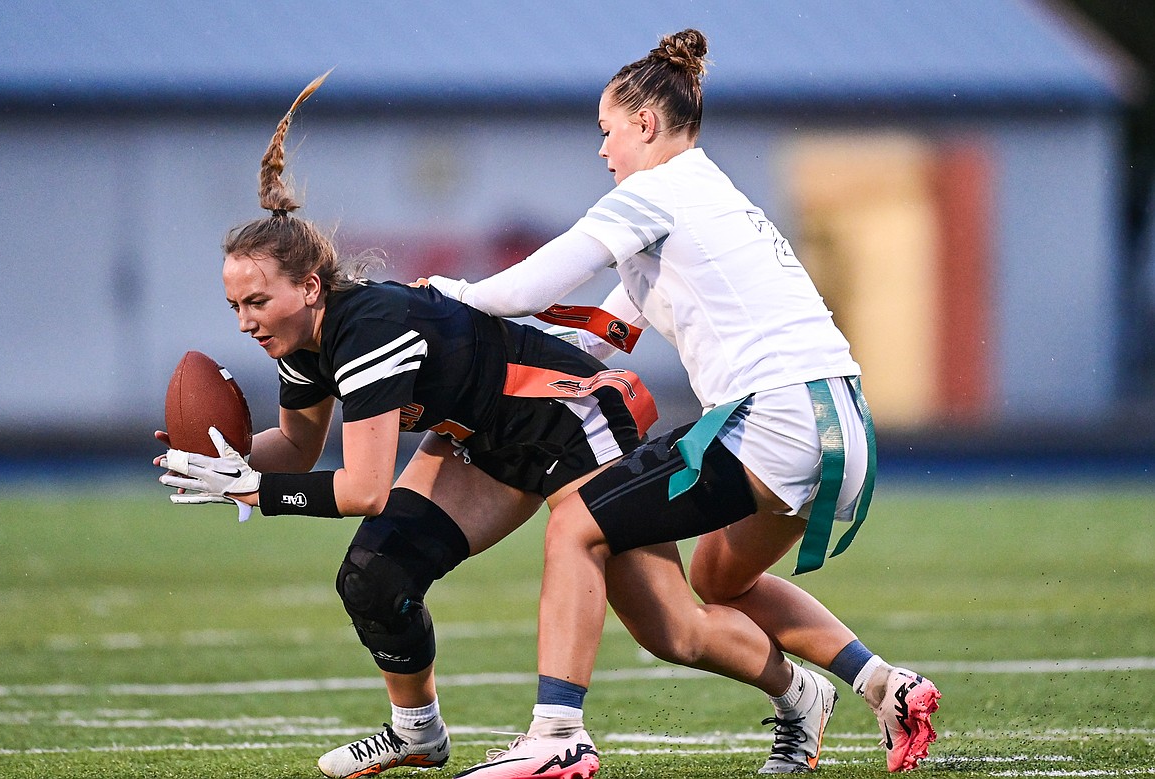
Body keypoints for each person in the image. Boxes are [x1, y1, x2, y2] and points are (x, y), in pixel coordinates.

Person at [154, 72, 877, 779]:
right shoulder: (299, 343)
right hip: (486, 440)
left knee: (672, 628)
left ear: (309, 286)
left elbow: (366, 485)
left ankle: (789, 692)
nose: (246, 321)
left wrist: (262, 489)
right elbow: (298, 446)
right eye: (235, 307)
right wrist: (221, 460)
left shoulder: (366, 327)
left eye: (257, 301)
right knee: (374, 576)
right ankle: (418, 732)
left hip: (568, 420)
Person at [426, 29, 941, 778]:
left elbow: (527, 288)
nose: (602, 152)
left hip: (776, 418)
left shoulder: (655, 192)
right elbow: (602, 336)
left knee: (574, 522)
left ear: (645, 123)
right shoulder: (708, 193)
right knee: (719, 581)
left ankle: (556, 730)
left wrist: (451, 298)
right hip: (844, 422)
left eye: (607, 132)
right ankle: (884, 684)